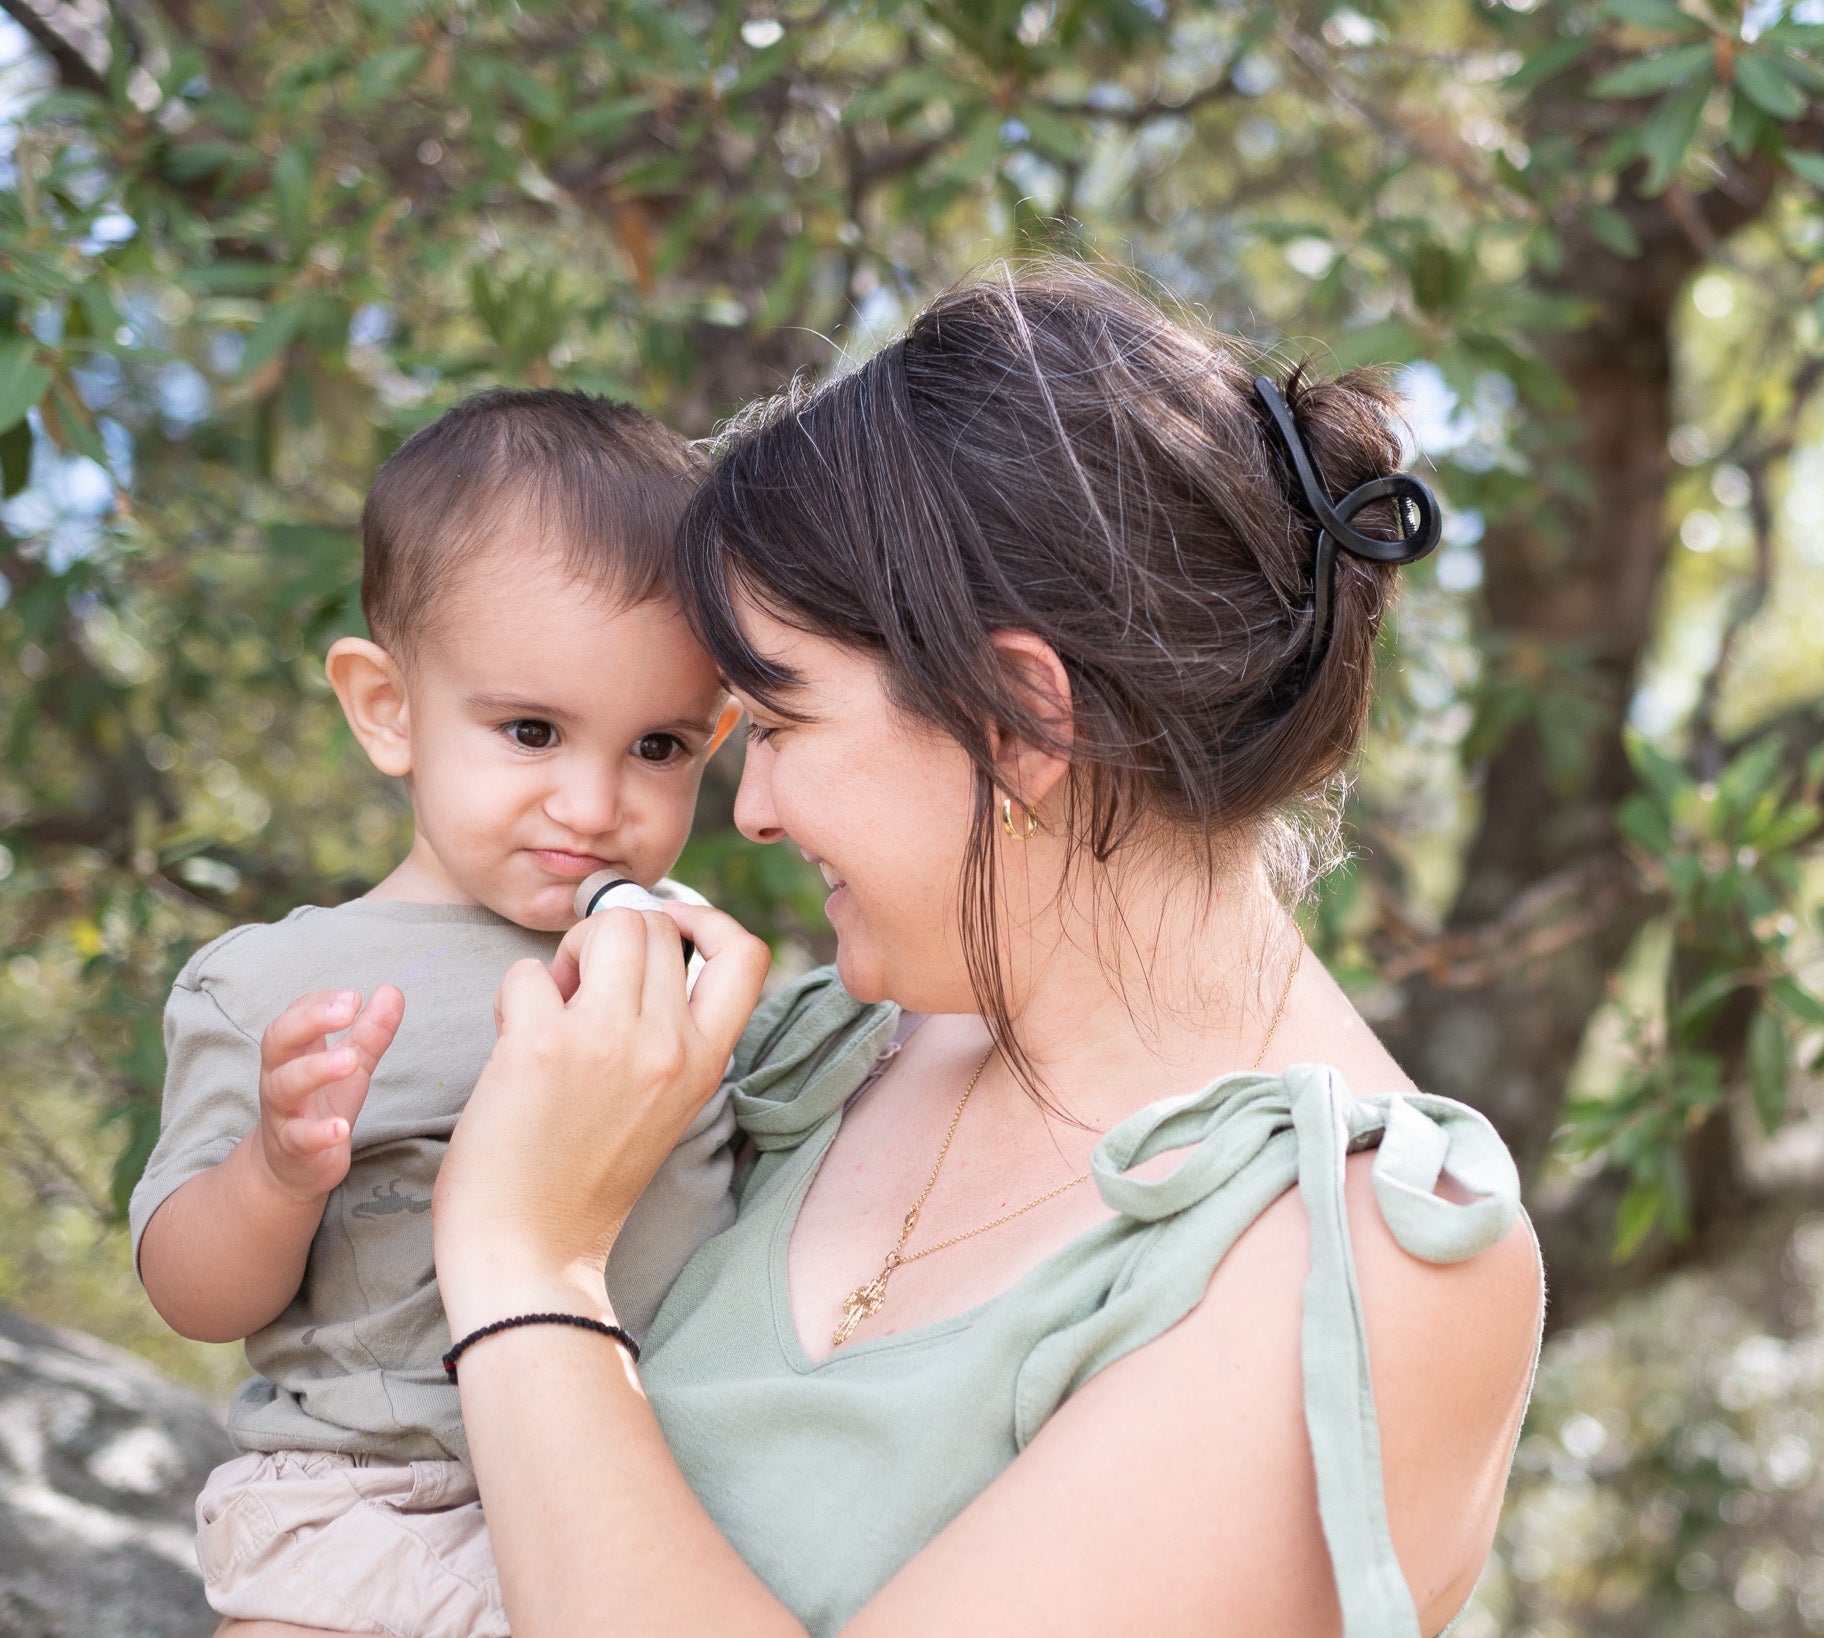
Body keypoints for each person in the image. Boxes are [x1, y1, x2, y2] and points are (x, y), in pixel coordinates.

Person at [231, 263, 1544, 1638]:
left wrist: (523, 1260)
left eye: (783, 726)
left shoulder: (1379, 1268)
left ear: (1016, 722)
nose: (751, 808)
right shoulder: (810, 1052)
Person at [133, 389, 744, 1637]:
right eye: (531, 730)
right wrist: (273, 1170)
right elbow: (193, 1295)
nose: (591, 800)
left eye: (659, 747)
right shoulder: (279, 985)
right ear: (388, 708)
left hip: (633, 1510)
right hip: (371, 1514)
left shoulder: (685, 970)